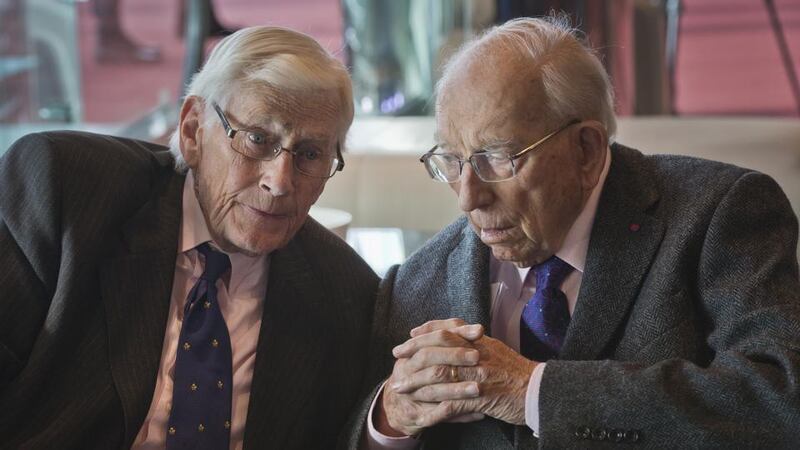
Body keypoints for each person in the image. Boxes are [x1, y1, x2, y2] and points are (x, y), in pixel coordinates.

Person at [344, 15, 800, 449]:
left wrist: (533, 392)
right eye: (452, 161)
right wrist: (389, 420)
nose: (468, 198)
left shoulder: (719, 213)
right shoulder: (417, 281)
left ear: (586, 149)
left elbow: (779, 403)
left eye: (498, 158)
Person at [0, 26, 378, 449]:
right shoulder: (67, 195)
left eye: (310, 154)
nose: (280, 182)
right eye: (258, 139)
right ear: (193, 129)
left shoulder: (345, 294)